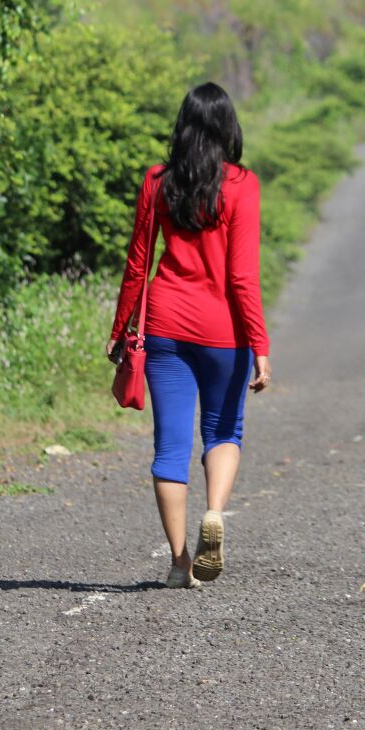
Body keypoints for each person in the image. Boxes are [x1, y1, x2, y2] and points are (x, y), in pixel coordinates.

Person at [107, 82, 271, 589]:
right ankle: (214, 513)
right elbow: (242, 276)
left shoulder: (157, 181)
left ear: (182, 126)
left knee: (170, 446)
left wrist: (120, 329)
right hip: (224, 331)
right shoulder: (242, 184)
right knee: (223, 432)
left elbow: (138, 264)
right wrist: (260, 346)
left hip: (165, 327)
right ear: (228, 128)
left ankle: (179, 564)